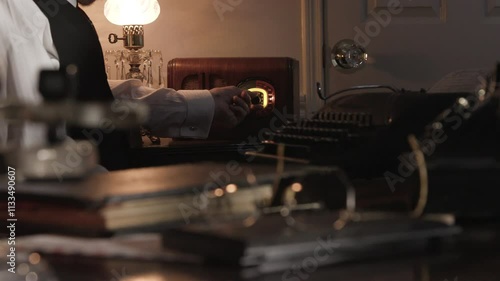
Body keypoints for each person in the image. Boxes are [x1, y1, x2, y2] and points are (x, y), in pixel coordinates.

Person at [0, 0, 256, 170]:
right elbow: (31, 150)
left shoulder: (55, 10)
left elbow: (90, 94)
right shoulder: (17, 18)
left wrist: (203, 105)